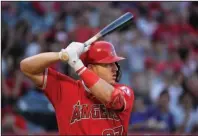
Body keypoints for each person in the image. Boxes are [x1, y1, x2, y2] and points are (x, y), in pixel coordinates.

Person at [20, 41, 135, 135]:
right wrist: (62, 55)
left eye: (115, 63)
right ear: (90, 68)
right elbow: (26, 67)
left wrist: (76, 64)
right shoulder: (66, 89)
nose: (115, 68)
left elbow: (111, 98)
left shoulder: (125, 91)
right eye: (108, 64)